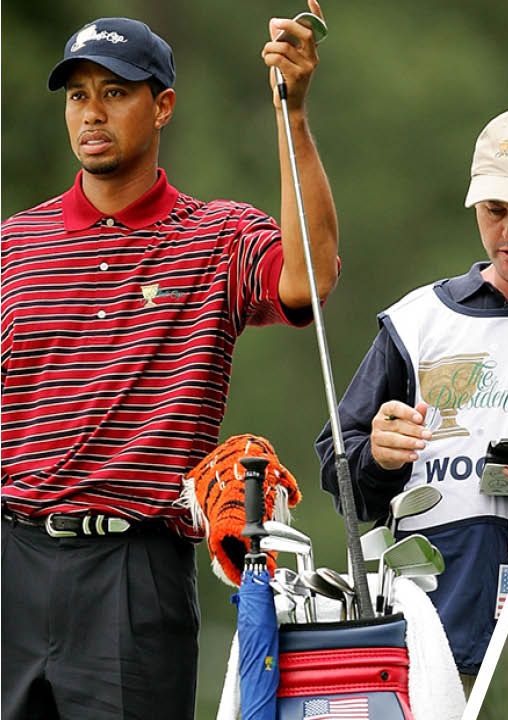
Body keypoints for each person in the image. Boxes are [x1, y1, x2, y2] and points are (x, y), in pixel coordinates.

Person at [0, 5, 338, 719]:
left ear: (162, 107)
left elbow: (307, 277)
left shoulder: (215, 236)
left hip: (134, 574)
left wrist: (293, 114)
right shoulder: (15, 246)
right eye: (78, 95)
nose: (92, 113)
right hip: (12, 563)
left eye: (115, 92)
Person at [316, 105, 508, 690]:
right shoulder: (416, 322)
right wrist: (376, 455)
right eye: (494, 210)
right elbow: (341, 475)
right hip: (426, 649)